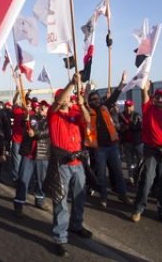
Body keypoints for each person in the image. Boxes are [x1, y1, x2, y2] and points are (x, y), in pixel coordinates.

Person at [45, 73, 92, 258]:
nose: (65, 100)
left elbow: (87, 120)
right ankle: (59, 238)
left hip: (78, 163)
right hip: (62, 164)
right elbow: (60, 101)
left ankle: (76, 226)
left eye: (67, 99)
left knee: (79, 197)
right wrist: (71, 83)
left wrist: (81, 104)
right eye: (61, 97)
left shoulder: (74, 114)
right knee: (61, 202)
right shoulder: (53, 114)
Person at [131, 81, 162, 225]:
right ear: (154, 98)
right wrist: (144, 88)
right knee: (147, 180)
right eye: (157, 96)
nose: (160, 99)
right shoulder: (148, 109)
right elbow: (144, 96)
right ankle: (138, 209)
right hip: (151, 150)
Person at [85, 71, 132, 208]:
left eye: (97, 98)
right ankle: (103, 197)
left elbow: (115, 96)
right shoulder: (88, 112)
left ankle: (123, 194)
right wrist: (84, 94)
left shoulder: (105, 107)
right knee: (101, 173)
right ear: (89, 102)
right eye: (93, 100)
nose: (96, 101)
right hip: (99, 148)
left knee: (118, 171)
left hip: (112, 146)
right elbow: (82, 104)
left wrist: (122, 82)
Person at [14, 100, 50, 217]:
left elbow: (47, 132)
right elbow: (23, 125)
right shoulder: (31, 117)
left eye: (45, 107)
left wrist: (35, 133)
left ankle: (40, 200)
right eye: (41, 106)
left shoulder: (50, 120)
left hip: (42, 154)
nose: (42, 108)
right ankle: (19, 204)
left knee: (42, 180)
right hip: (28, 154)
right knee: (23, 179)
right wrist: (25, 118)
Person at [118, 100, 142, 186]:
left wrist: (130, 126)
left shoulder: (137, 115)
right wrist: (124, 128)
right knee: (129, 162)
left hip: (138, 142)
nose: (128, 108)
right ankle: (131, 178)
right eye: (126, 106)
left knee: (140, 160)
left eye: (130, 106)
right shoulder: (121, 115)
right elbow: (119, 127)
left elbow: (139, 127)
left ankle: (139, 176)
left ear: (133, 106)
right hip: (127, 142)